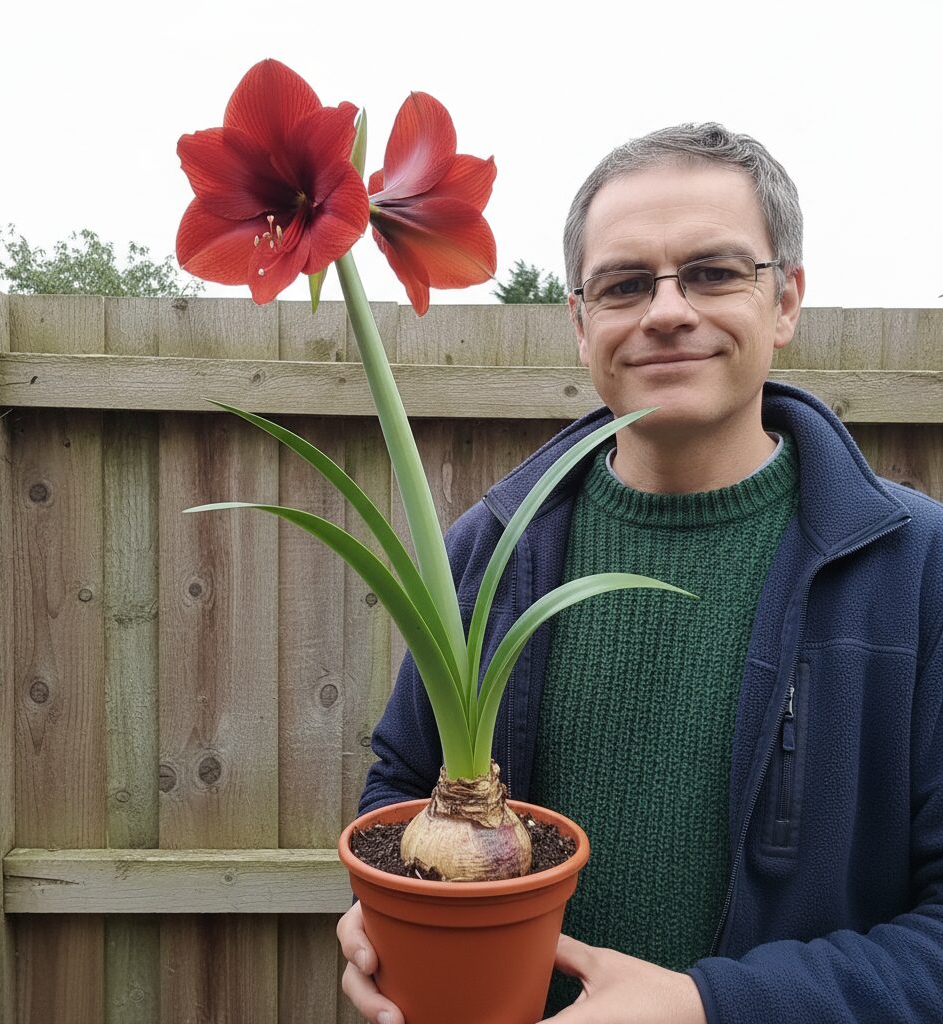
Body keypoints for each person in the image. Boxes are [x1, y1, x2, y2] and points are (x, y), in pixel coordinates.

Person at [337, 124, 943, 1024]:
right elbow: (401, 784)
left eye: (713, 272)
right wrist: (381, 914)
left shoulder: (917, 567)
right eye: (625, 284)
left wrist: (712, 1007)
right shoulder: (486, 550)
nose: (666, 310)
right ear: (582, 324)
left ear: (786, 301)